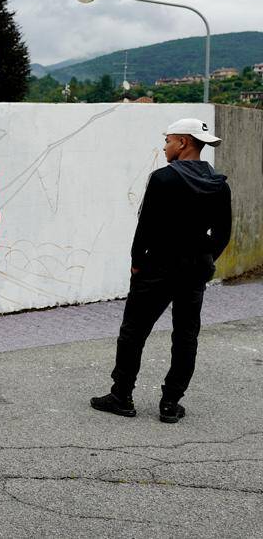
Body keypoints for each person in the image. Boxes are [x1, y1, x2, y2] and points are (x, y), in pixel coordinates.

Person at [91, 118, 231, 424]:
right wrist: (205, 258)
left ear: (183, 142)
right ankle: (170, 403)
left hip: (157, 266)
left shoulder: (163, 179)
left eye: (168, 140)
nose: (165, 145)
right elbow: (222, 233)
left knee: (134, 332)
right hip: (194, 270)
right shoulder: (219, 184)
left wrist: (136, 261)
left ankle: (122, 396)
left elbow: (146, 227)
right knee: (185, 335)